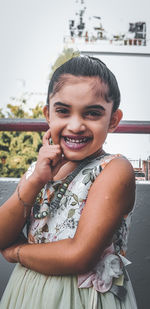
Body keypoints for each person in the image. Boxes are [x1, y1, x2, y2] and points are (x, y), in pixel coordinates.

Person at [0, 56, 137, 309]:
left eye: (93, 113)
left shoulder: (115, 169)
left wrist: (16, 253)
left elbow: (79, 255)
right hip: (26, 294)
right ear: (48, 114)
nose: (75, 126)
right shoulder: (38, 169)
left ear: (114, 120)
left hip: (84, 299)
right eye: (63, 111)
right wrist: (35, 181)